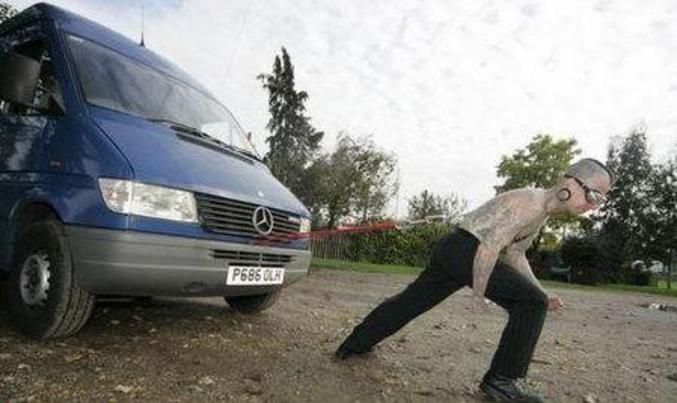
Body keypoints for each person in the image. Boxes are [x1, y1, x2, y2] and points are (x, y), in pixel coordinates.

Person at [334, 159, 613, 403]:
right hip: (467, 248)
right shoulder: (530, 202)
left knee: (412, 301)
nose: (592, 206)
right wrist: (479, 293)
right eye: (593, 196)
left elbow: (516, 254)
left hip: (455, 248)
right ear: (571, 183)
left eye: (599, 201)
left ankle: (355, 344)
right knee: (531, 304)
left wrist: (542, 291)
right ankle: (503, 381)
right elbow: (490, 247)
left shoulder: (542, 213)